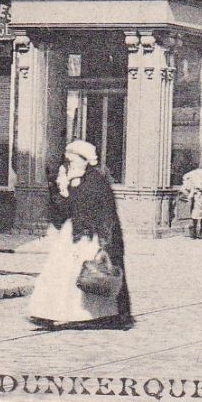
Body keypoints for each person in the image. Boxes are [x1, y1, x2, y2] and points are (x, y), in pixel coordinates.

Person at [28, 140, 132, 328]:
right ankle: (47, 312)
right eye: (69, 161)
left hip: (89, 236)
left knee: (86, 273)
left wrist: (103, 242)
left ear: (85, 160)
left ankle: (88, 315)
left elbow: (105, 214)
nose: (71, 164)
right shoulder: (73, 180)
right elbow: (64, 211)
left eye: (74, 160)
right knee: (59, 272)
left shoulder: (96, 181)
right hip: (72, 233)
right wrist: (61, 190)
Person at [180, 158, 202, 239]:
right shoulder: (197, 172)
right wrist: (189, 186)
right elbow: (185, 176)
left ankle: (201, 232)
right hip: (196, 196)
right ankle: (194, 232)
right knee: (195, 214)